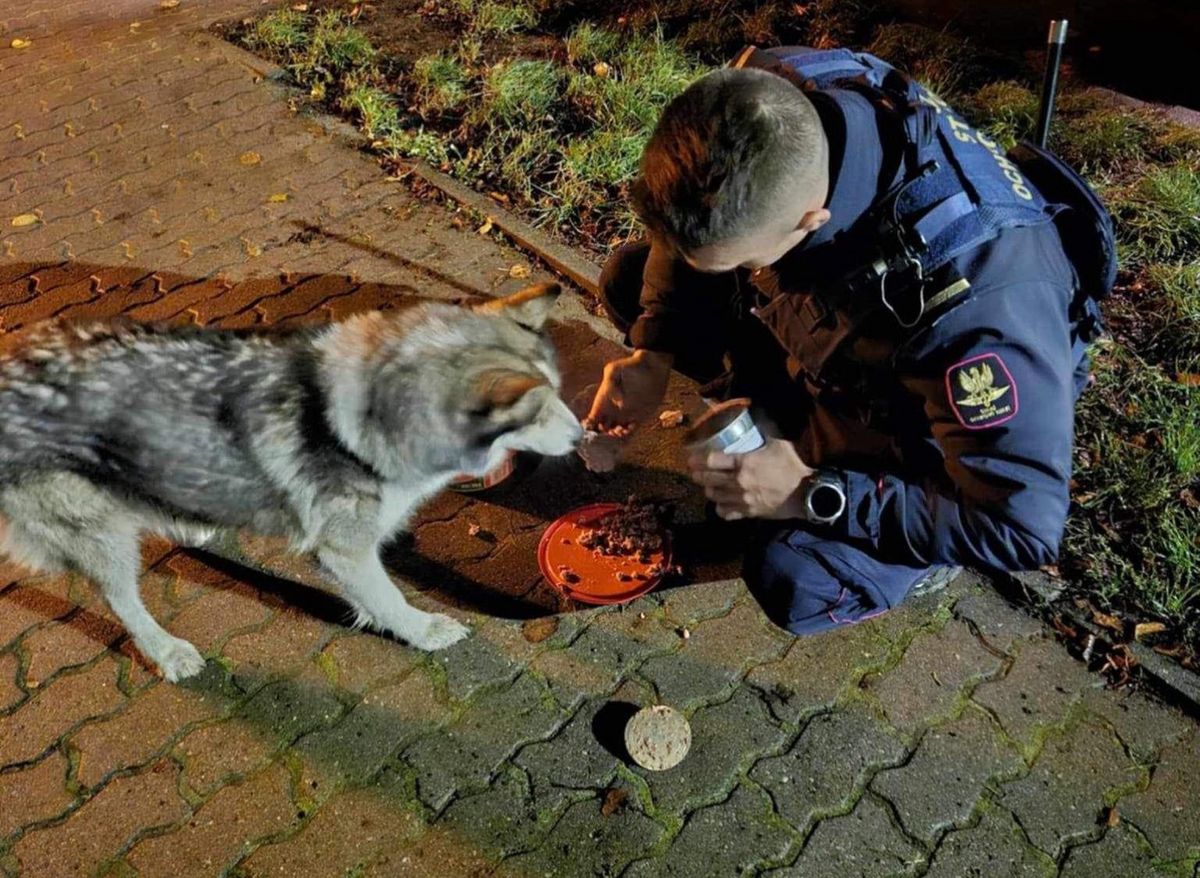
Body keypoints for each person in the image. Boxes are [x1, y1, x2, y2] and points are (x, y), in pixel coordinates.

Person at [585, 45, 1115, 635]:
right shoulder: (766, 91)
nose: (711, 268)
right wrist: (652, 352)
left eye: (741, 260)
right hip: (842, 329)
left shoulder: (982, 316)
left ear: (811, 219)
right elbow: (696, 228)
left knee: (796, 579)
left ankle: (913, 565)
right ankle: (772, 405)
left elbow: (1020, 529)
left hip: (917, 417)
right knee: (631, 281)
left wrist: (813, 492)